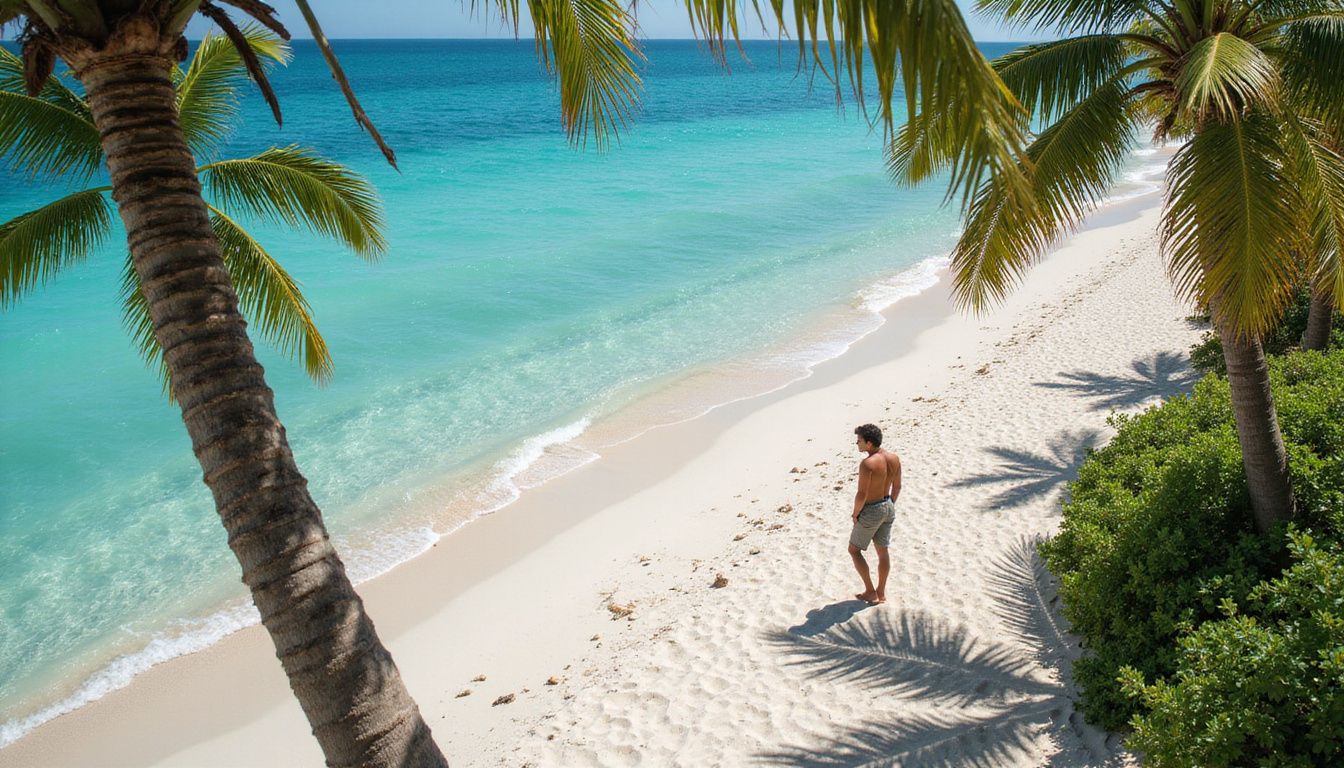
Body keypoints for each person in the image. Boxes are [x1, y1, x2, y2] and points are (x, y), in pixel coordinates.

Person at [848, 423, 901, 605]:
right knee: (882, 551)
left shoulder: (868, 464)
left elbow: (862, 494)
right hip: (888, 505)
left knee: (854, 550)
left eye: (859, 441)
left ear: (869, 443)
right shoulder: (894, 458)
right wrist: (889, 504)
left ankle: (871, 591)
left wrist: (855, 514)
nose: (857, 444)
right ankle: (881, 592)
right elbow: (897, 487)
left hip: (871, 509)